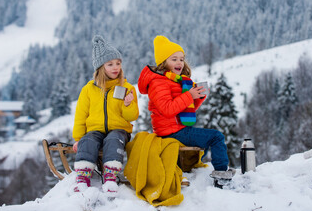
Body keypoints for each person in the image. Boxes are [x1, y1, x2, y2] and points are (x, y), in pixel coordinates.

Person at [137, 35, 234, 183]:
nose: (179, 62)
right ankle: (221, 174)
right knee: (216, 137)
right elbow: (168, 109)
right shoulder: (158, 83)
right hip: (171, 131)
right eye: (174, 59)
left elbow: (184, 110)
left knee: (209, 138)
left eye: (181, 59)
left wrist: (198, 97)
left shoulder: (176, 80)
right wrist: (189, 95)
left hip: (177, 128)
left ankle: (203, 171)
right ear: (164, 62)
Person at [72, 35, 139, 195]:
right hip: (95, 130)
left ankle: (110, 176)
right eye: (110, 64)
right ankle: (82, 178)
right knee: (88, 140)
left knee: (113, 139)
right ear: (101, 67)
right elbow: (81, 115)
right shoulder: (88, 90)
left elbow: (132, 116)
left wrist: (128, 104)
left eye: (118, 63)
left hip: (120, 131)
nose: (116, 67)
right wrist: (77, 138)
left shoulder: (127, 87)